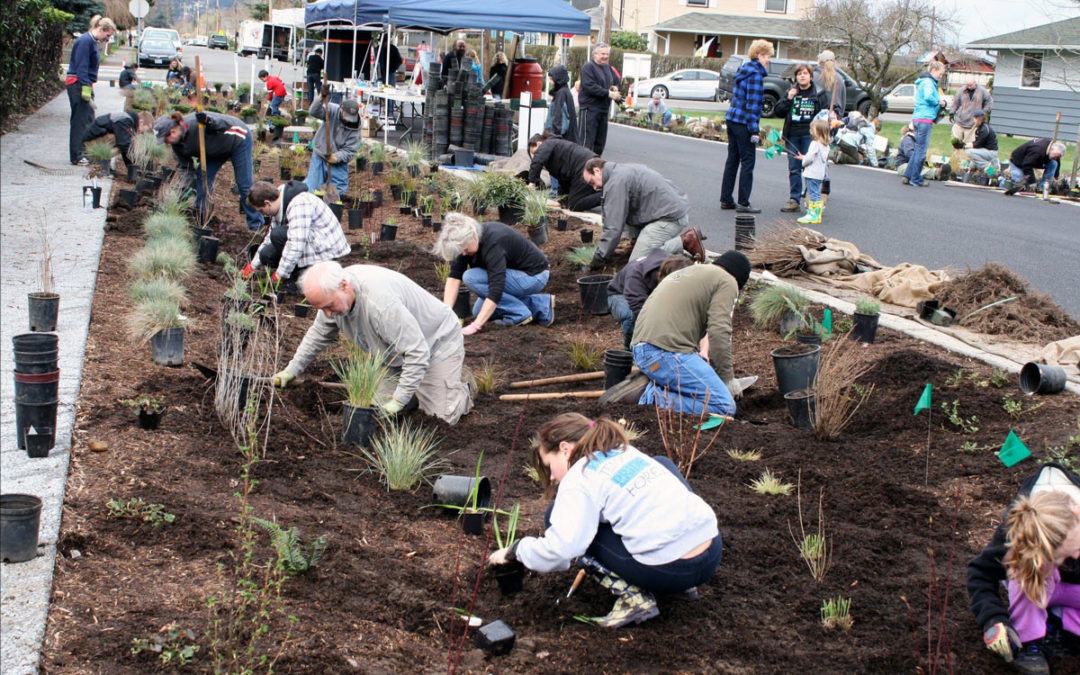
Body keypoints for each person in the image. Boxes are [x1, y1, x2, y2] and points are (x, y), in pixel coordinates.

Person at [487, 413, 721, 628]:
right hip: (711, 551)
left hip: (670, 571)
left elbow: (562, 549)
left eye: (549, 465)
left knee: (556, 518)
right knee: (662, 462)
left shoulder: (580, 476)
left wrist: (519, 550)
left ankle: (635, 600)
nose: (551, 476)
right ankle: (686, 582)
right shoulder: (622, 451)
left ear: (565, 449)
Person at [272, 261, 474, 424]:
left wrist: (398, 400)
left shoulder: (381, 305)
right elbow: (318, 334)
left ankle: (460, 386)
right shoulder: (332, 298)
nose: (327, 314)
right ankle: (416, 390)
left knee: (440, 418)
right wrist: (292, 370)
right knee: (374, 410)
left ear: (344, 285)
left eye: (329, 306)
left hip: (436, 343)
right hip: (393, 355)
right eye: (321, 308)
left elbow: (417, 352)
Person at [967, 462, 1080, 675]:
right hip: (1040, 588)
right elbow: (979, 574)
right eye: (1062, 557)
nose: (1074, 557)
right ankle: (1031, 641)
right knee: (1023, 564)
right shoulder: (1022, 531)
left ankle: (1060, 623)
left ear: (1077, 513)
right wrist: (993, 619)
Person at [618, 251, 751, 416]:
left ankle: (657, 387)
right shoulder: (727, 280)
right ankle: (652, 397)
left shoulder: (689, 272)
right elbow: (719, 330)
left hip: (643, 352)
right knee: (724, 406)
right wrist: (727, 379)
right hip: (665, 354)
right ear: (738, 279)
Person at [434, 213, 555, 332]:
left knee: (470, 277)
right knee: (478, 312)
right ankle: (541, 305)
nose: (463, 253)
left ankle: (520, 314)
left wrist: (476, 325)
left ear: (474, 237)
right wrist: (447, 313)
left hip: (534, 275)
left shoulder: (494, 243)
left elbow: (496, 288)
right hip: (512, 275)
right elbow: (454, 277)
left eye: (465, 249)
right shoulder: (464, 243)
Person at [583, 157, 705, 267]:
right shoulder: (620, 171)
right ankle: (640, 245)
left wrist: (599, 257)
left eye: (592, 182)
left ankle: (685, 241)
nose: (594, 188)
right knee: (622, 213)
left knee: (637, 262)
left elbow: (613, 227)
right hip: (663, 212)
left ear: (597, 170)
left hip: (669, 218)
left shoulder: (616, 182)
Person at [154, 111, 264, 231]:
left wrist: (208, 121)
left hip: (238, 140)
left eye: (165, 139)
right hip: (213, 151)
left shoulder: (196, 124)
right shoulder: (177, 146)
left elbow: (224, 125)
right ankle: (202, 216)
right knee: (203, 178)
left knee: (244, 184)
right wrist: (179, 195)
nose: (166, 143)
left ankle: (256, 225)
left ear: (173, 131)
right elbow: (187, 169)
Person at [244, 181, 351, 284]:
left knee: (278, 235)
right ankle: (295, 270)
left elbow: (296, 244)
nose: (263, 214)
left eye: (261, 211)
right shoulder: (280, 202)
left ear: (267, 203)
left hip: (326, 247)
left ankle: (303, 273)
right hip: (309, 241)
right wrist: (252, 266)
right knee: (266, 254)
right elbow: (269, 239)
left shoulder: (298, 204)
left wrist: (280, 275)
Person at [720, 39, 773, 214]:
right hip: (744, 122)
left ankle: (726, 199)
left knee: (732, 160)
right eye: (767, 56)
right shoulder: (756, 76)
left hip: (732, 118)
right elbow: (754, 105)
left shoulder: (743, 70)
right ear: (759, 55)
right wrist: (754, 129)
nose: (769, 60)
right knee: (748, 162)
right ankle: (743, 201)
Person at [607, 251, 692, 349]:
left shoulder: (674, 264)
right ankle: (629, 348)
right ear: (661, 276)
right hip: (619, 294)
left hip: (648, 292)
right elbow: (640, 310)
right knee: (630, 316)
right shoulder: (635, 275)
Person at [774, 63, 828, 212]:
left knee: (812, 168)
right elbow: (778, 111)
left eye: (805, 73)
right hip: (793, 135)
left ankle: (813, 199)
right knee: (794, 168)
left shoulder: (819, 93)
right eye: (799, 74)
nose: (802, 76)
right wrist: (788, 98)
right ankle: (794, 199)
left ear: (810, 76)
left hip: (811, 137)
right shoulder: (791, 92)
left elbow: (825, 115)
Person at [66, 15, 117, 165]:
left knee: (88, 119)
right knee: (79, 121)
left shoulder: (91, 42)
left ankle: (85, 152)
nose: (107, 39)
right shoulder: (85, 41)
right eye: (107, 35)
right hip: (78, 84)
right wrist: (86, 88)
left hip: (83, 84)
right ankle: (76, 155)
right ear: (101, 29)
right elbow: (82, 67)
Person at [305, 86, 361, 197]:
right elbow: (313, 111)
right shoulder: (331, 110)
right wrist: (321, 97)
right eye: (346, 116)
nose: (348, 120)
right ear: (341, 109)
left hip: (338, 162)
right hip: (320, 155)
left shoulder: (356, 126)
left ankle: (330, 210)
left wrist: (336, 157)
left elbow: (350, 151)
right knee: (312, 190)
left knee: (335, 194)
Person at [527, 133, 601, 211]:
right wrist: (562, 199)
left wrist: (532, 182)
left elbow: (537, 161)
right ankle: (603, 195)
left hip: (585, 166)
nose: (536, 155)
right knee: (571, 202)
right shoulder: (556, 150)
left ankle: (605, 196)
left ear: (539, 144)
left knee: (574, 204)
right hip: (584, 166)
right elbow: (563, 178)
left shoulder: (547, 144)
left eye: (536, 153)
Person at [903, 61, 947, 188]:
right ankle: (916, 179)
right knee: (921, 151)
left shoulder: (924, 82)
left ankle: (908, 175)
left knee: (917, 149)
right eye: (940, 73)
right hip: (925, 119)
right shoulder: (928, 83)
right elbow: (928, 97)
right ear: (933, 70)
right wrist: (939, 102)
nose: (941, 76)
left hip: (917, 118)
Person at [578, 43, 622, 156]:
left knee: (600, 143)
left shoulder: (608, 67)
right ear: (595, 54)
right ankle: (581, 167)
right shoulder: (588, 67)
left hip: (603, 109)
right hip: (589, 109)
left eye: (607, 54)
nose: (605, 57)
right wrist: (609, 93)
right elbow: (590, 86)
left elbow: (616, 81)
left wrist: (616, 88)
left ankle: (595, 167)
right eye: (602, 54)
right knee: (586, 142)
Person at [82, 110, 154, 167]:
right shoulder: (125, 120)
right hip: (90, 144)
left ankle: (103, 162)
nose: (145, 133)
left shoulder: (128, 121)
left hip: (96, 140)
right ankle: (100, 161)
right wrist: (135, 163)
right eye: (147, 129)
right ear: (141, 122)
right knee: (121, 142)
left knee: (125, 141)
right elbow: (124, 145)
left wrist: (131, 166)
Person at [796, 119, 831, 225]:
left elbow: (810, 158)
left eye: (813, 129)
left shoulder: (814, 143)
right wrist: (804, 156)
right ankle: (816, 214)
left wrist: (803, 160)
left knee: (813, 194)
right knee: (816, 193)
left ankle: (813, 215)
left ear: (818, 131)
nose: (811, 131)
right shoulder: (825, 145)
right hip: (819, 174)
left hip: (812, 173)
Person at [948, 76, 993, 146]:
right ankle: (955, 156)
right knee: (955, 143)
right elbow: (955, 102)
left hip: (973, 124)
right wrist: (951, 112)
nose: (968, 87)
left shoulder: (982, 91)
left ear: (975, 83)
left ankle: (966, 156)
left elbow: (989, 102)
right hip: (960, 121)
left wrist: (983, 112)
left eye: (970, 85)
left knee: (969, 146)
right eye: (967, 85)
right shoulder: (961, 90)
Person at [545, 65, 578, 141]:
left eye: (551, 79)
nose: (550, 82)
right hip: (569, 137)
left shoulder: (561, 94)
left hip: (562, 138)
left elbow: (559, 116)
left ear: (557, 79)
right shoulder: (565, 91)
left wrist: (554, 135)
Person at [964, 110, 1000, 176]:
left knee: (969, 152)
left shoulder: (984, 129)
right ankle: (994, 166)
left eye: (974, 119)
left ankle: (989, 168)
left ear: (978, 119)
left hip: (991, 152)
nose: (973, 120)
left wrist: (964, 146)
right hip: (986, 151)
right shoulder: (980, 128)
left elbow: (977, 145)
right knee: (972, 164)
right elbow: (976, 143)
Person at [813, 49, 846, 116]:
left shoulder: (813, 77)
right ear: (834, 62)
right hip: (835, 116)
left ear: (819, 61)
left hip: (816, 117)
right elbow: (843, 100)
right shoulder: (839, 79)